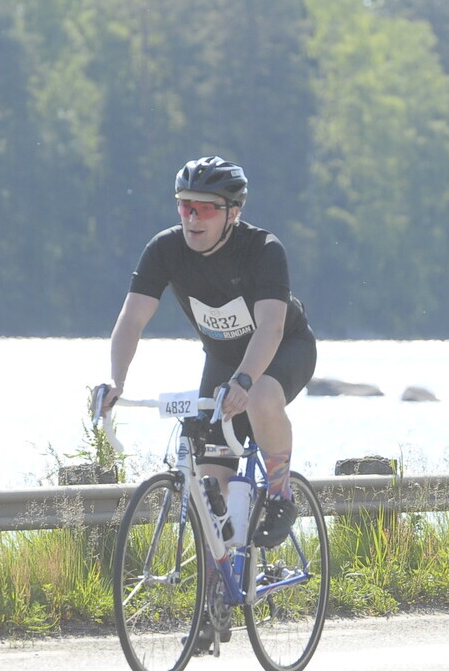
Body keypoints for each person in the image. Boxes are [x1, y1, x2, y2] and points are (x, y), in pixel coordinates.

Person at [99, 156, 317, 550]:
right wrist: (116, 380)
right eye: (185, 206)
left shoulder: (263, 249)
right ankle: (221, 575)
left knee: (261, 397)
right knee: (211, 484)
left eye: (205, 209)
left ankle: (280, 496)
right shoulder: (164, 249)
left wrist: (244, 381)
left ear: (233, 213)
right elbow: (131, 319)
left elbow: (271, 326)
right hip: (223, 360)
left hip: (283, 348)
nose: (193, 218)